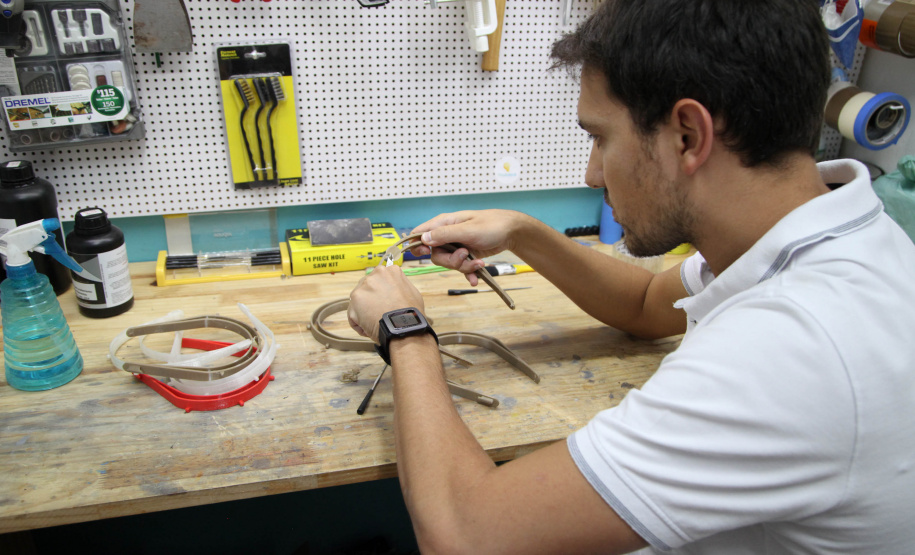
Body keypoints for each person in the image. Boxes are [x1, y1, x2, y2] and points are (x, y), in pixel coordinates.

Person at [347, 0, 915, 552]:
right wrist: (522, 230)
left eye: (600, 137)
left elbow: (465, 535)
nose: (592, 172)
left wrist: (405, 330)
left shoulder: (792, 348)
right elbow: (647, 304)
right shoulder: (820, 232)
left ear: (688, 136)